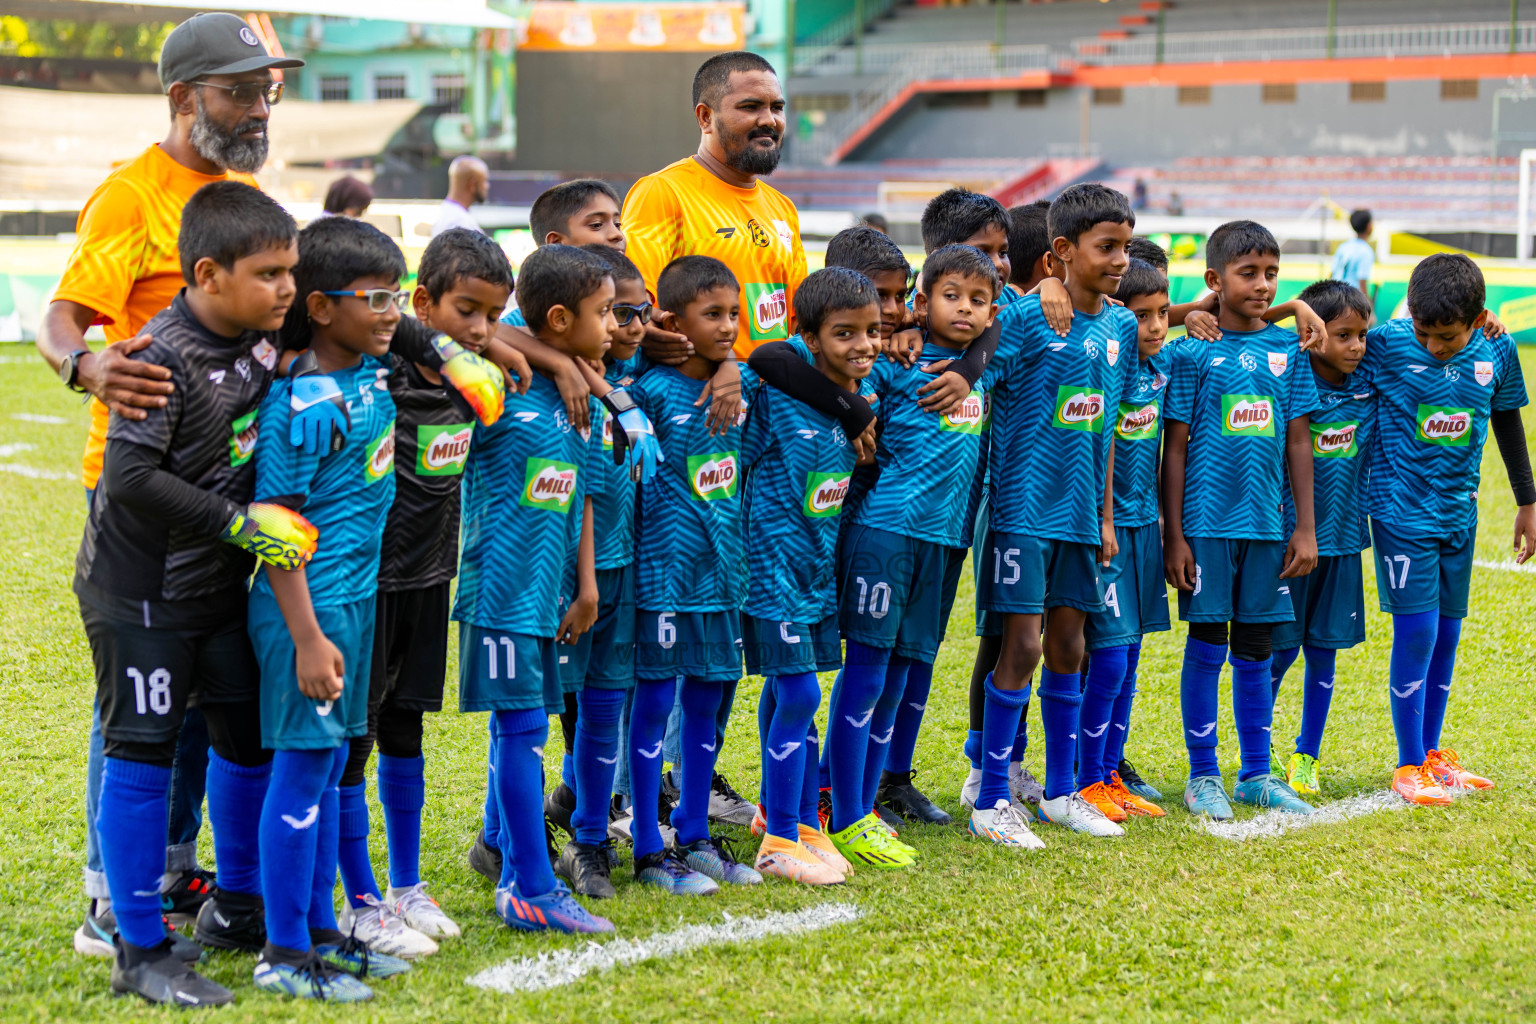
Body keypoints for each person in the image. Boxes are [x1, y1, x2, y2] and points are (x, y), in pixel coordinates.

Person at [36, 12, 303, 952]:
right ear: (184, 96)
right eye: (241, 90)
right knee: (142, 706)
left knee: (205, 696)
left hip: (227, 489)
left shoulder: (240, 192)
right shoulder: (132, 197)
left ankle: (172, 863)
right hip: (143, 488)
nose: (260, 106)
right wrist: (87, 367)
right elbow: (60, 318)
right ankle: (109, 893)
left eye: (268, 88)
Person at [77, 181, 309, 1008]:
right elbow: (130, 477)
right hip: (140, 593)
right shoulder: (156, 359)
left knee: (243, 739)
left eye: (292, 272)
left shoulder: (261, 331)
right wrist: (241, 521)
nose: (289, 289)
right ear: (209, 275)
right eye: (271, 273)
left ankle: (239, 908)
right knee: (142, 750)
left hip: (214, 586)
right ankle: (137, 944)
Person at [249, 216, 429, 1001]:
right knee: (300, 775)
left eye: (399, 294)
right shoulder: (301, 405)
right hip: (307, 614)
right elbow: (272, 529)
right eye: (377, 297)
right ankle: (283, 952)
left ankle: (324, 932)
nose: (394, 311)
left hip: (355, 604)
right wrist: (308, 638)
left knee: (328, 773)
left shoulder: (365, 377)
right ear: (321, 307)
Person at [332, 228, 515, 954]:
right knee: (355, 741)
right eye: (465, 311)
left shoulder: (478, 386)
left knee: (406, 729)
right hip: (363, 584)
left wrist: (497, 350)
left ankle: (406, 885)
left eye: (492, 316)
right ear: (422, 303)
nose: (479, 329)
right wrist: (436, 346)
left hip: (429, 577)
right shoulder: (382, 371)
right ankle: (359, 899)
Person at [972, 183, 1140, 848]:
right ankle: (990, 798)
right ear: (1062, 252)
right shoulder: (1025, 318)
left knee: (1072, 647)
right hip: (1022, 511)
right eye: (1108, 247)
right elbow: (976, 357)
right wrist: (1030, 293)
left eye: (1127, 246)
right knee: (1023, 647)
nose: (1121, 259)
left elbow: (1102, 435)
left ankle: (1063, 792)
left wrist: (1103, 518)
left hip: (1079, 519)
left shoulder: (1123, 328)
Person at [452, 245, 613, 935]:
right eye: (603, 313)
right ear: (556, 318)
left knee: (527, 731)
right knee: (520, 733)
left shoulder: (582, 398)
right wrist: (544, 357)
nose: (613, 326)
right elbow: (448, 333)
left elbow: (578, 496)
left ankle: (514, 867)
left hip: (549, 594)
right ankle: (526, 883)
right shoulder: (498, 379)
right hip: (497, 592)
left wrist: (586, 587)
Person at [826, 244, 999, 866]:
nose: (964, 308)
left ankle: (864, 804)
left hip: (945, 542)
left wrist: (975, 363)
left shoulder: (987, 363)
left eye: (977, 300)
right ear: (922, 301)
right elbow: (838, 379)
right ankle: (843, 814)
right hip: (887, 531)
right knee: (868, 672)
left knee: (900, 678)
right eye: (950, 295)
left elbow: (1004, 330)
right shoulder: (898, 359)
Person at [1357, 253, 1533, 804]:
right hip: (1399, 510)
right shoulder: (1385, 344)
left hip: (1461, 513)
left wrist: (1527, 502)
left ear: (1479, 318)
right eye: (1424, 332)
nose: (1434, 346)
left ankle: (1432, 756)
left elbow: (1506, 419)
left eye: (1448, 336)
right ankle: (1409, 765)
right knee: (1420, 633)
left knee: (1449, 634)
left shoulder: (1498, 348)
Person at [1162, 220, 1319, 822]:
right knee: (1207, 641)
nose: (1261, 284)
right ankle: (1203, 775)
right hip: (1205, 524)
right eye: (1247, 273)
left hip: (1267, 526)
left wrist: (1303, 527)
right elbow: (1173, 449)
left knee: (1257, 645)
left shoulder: (1287, 350)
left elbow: (1298, 442)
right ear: (1214, 279)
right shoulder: (1190, 351)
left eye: (1271, 274)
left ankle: (1256, 773)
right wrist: (1174, 534)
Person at [627, 255, 764, 893]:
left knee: (707, 706)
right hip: (659, 575)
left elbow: (782, 359)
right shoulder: (647, 391)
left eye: (735, 314)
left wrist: (733, 364)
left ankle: (696, 834)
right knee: (654, 703)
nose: (729, 326)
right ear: (673, 322)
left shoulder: (741, 390)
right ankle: (649, 844)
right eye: (713, 315)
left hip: (721, 576)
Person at [742, 267, 879, 885]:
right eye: (844, 333)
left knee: (787, 692)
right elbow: (762, 358)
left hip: (813, 572)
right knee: (799, 694)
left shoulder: (863, 401)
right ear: (811, 337)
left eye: (872, 331)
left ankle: (793, 818)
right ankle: (776, 842)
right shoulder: (772, 389)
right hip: (767, 566)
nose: (864, 345)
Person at [545, 244, 655, 900]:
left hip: (621, 574)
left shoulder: (621, 388)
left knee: (604, 711)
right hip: (568, 583)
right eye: (610, 311)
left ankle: (589, 842)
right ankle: (500, 841)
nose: (620, 324)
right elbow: (583, 494)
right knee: (536, 716)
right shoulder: (566, 390)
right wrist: (585, 583)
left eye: (627, 312)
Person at [624, 51, 807, 359]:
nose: (769, 120)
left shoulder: (782, 208)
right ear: (705, 117)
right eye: (750, 107)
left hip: (771, 394)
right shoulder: (663, 193)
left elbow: (798, 319)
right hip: (701, 396)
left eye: (777, 107)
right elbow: (638, 309)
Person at [1267, 279, 1375, 797]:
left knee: (1324, 651)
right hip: (1289, 541)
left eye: (1362, 334)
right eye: (1344, 335)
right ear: (1313, 335)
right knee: (1280, 651)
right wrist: (1293, 309)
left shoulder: (1370, 376)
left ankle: (1306, 754)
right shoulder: (1288, 372)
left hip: (1345, 537)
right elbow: (1248, 329)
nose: (1357, 345)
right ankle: (1256, 746)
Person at [1074, 258, 1172, 822]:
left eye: (1163, 314)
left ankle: (1111, 773)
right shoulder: (1105, 370)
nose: (1157, 326)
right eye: (1143, 316)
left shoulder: (1161, 371)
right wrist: (1103, 520)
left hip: (1145, 530)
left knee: (1131, 657)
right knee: (1107, 660)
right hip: (1101, 529)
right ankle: (1088, 779)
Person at [429, 156, 488, 238]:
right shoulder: (459, 223)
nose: (487, 186)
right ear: (472, 184)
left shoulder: (449, 214)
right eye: (485, 181)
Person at [1331, 209, 1375, 296]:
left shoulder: (1343, 247)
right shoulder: (1366, 251)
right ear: (1369, 226)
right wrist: (1368, 306)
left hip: (1335, 295)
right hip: (1351, 298)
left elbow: (1332, 273)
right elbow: (1362, 282)